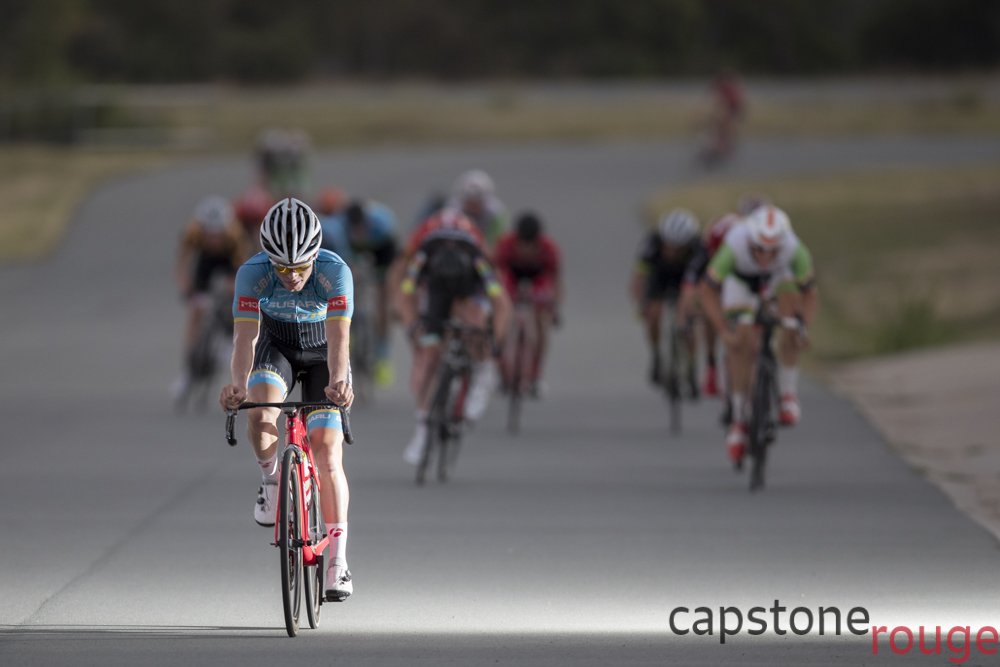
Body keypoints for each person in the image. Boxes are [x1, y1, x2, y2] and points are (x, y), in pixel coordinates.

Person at [218, 197, 356, 601]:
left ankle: (339, 562)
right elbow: (245, 337)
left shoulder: (335, 272)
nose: (292, 276)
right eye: (282, 267)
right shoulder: (252, 274)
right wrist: (237, 385)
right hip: (275, 346)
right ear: (268, 259)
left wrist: (338, 382)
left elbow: (340, 337)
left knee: (327, 450)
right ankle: (271, 477)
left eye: (300, 267)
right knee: (260, 414)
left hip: (322, 352)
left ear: (315, 255)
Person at [700, 204, 818, 464]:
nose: (765, 256)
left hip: (778, 278)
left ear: (782, 243)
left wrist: (802, 327)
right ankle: (740, 422)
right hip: (741, 281)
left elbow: (810, 293)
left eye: (772, 250)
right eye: (759, 249)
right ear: (750, 240)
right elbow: (708, 292)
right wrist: (723, 329)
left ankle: (788, 394)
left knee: (791, 317)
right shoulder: (734, 247)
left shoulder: (794, 250)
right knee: (742, 342)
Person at [396, 210, 511, 464]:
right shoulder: (423, 255)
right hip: (436, 291)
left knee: (475, 322)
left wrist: (494, 345)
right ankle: (422, 429)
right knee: (429, 356)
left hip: (470, 291)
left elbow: (500, 302)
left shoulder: (478, 260)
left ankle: (483, 372)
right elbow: (405, 293)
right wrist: (413, 325)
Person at [173, 196, 248, 399]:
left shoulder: (235, 236)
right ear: (202, 229)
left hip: (229, 262)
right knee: (196, 310)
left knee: (233, 304)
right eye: (210, 234)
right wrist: (186, 286)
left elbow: (243, 270)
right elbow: (183, 263)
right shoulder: (193, 233)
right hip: (205, 264)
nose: (214, 239)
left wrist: (234, 289)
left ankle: (227, 341)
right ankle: (188, 369)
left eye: (218, 234)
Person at [319, 199, 400, 387]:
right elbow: (341, 261)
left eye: (361, 228)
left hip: (380, 248)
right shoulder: (338, 228)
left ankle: (382, 355)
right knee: (347, 284)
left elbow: (392, 257)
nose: (358, 232)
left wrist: (386, 281)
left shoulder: (382, 224)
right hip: (349, 250)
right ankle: (350, 328)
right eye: (355, 229)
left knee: (384, 297)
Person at [630, 208, 703, 396]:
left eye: (679, 247)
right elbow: (639, 277)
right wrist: (641, 305)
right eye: (669, 245)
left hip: (687, 281)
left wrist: (693, 310)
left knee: (689, 323)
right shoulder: (652, 244)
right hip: (659, 278)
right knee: (652, 314)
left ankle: (692, 369)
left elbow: (700, 286)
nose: (673, 250)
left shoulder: (698, 249)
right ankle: (656, 356)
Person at [493, 212, 563, 397]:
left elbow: (555, 281)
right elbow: (496, 276)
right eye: (523, 243)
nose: (527, 248)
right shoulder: (505, 245)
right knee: (500, 320)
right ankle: (503, 375)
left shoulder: (549, 249)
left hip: (537, 276)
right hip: (511, 275)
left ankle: (536, 375)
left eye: (531, 244)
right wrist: (498, 304)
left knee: (542, 321)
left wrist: (554, 307)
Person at [445, 169, 508, 248]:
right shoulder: (452, 211)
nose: (473, 207)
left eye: (477, 202)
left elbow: (498, 241)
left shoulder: (496, 214)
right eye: (470, 202)